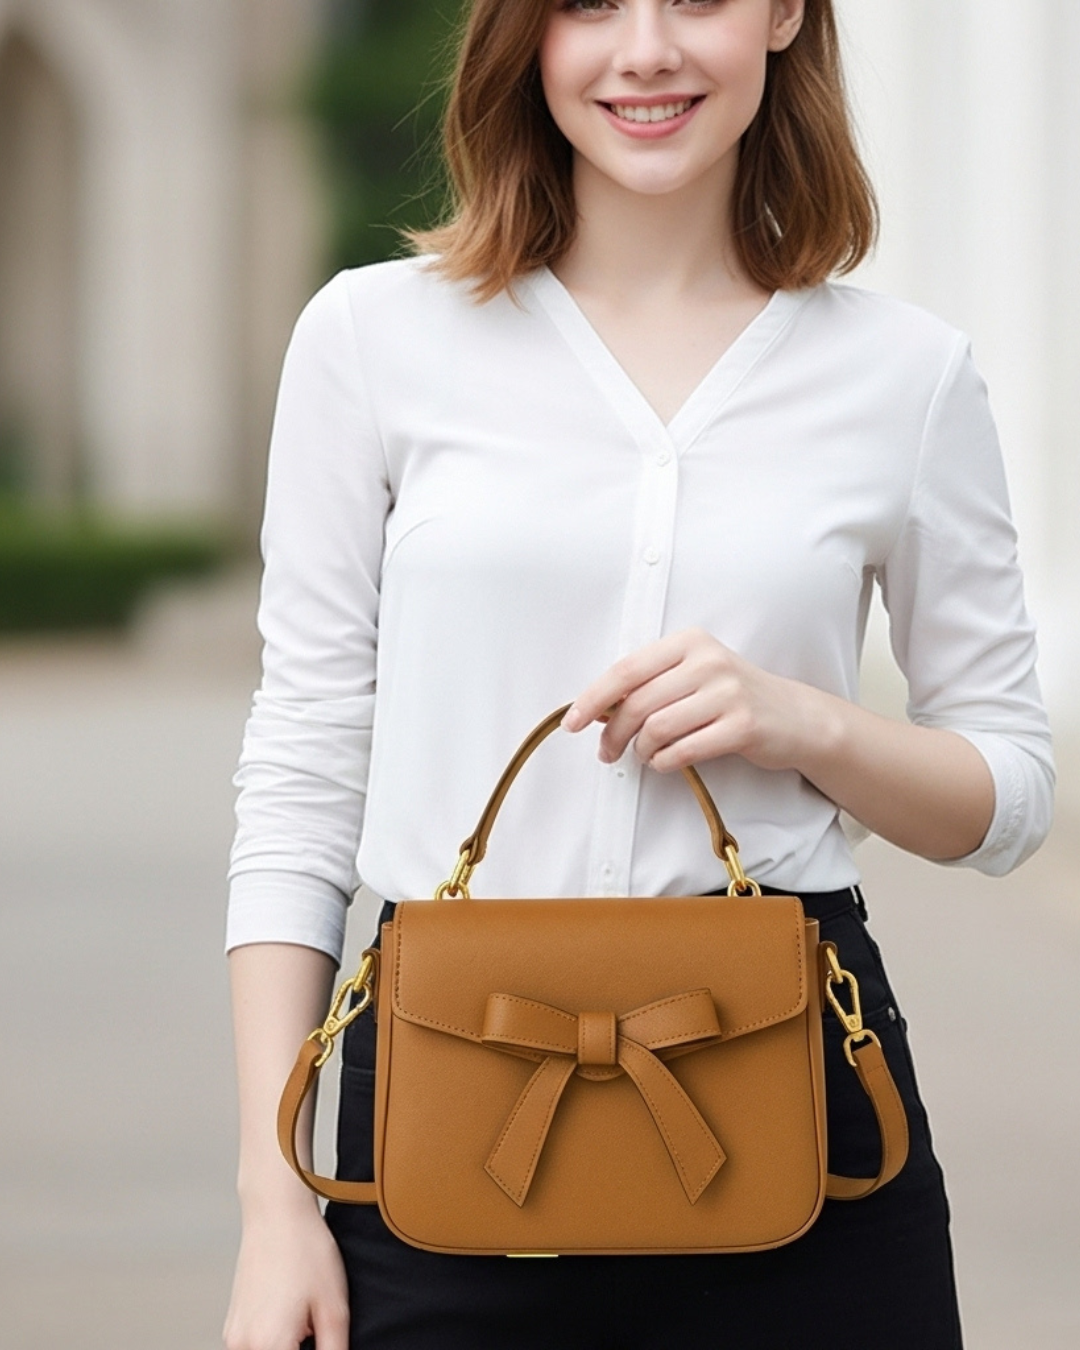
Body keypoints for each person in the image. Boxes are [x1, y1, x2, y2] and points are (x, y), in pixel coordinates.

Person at [221, 1, 1055, 1347]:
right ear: (524, 33)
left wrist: (808, 724)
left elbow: (1011, 793)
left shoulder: (904, 377)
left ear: (786, 14)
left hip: (797, 1113)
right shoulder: (371, 340)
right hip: (445, 1104)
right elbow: (304, 766)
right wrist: (277, 1201)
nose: (648, 50)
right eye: (591, 3)